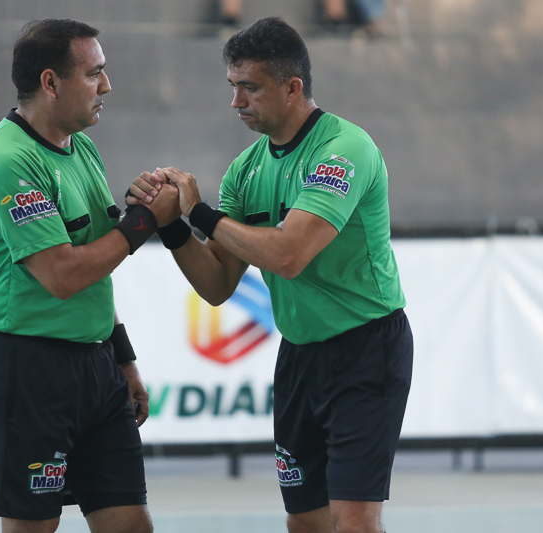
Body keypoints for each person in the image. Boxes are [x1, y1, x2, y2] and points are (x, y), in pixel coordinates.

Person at [128, 17, 412, 533]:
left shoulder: (343, 150)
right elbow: (217, 286)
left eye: (250, 88)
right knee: (304, 520)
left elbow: (289, 254)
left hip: (366, 351)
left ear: (292, 87)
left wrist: (203, 214)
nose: (237, 102)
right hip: (300, 354)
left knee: (354, 521)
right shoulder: (245, 170)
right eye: (233, 87)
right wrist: (170, 225)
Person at [0, 19, 180, 533]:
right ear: (50, 83)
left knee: (131, 524)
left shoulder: (79, 145)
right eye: (94, 74)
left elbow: (98, 262)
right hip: (25, 369)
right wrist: (148, 219)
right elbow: (63, 274)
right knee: (33, 527)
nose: (106, 87)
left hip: (95, 366)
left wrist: (122, 357)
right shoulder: (7, 161)